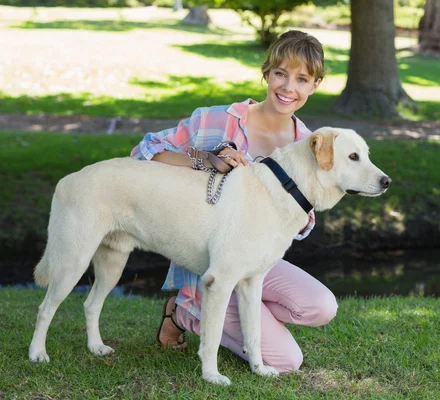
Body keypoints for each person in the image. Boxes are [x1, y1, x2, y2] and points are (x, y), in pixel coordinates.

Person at [130, 30, 338, 374]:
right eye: (280, 74)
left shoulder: (308, 145)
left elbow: (305, 224)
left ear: (315, 85)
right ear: (267, 74)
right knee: (287, 362)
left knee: (320, 307)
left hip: (259, 261)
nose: (288, 87)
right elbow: (144, 152)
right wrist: (208, 160)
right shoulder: (216, 119)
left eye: (301, 79)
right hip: (210, 260)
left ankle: (247, 312)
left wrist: (271, 187)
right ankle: (186, 310)